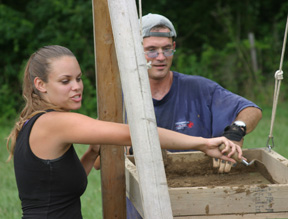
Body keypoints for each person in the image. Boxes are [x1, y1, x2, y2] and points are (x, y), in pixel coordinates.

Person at [6, 45, 243, 219]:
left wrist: (91, 154)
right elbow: (135, 134)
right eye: (65, 81)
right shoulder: (54, 122)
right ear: (40, 85)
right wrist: (202, 143)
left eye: (78, 78)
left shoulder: (34, 122)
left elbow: (55, 189)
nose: (77, 87)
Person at [126, 13, 262, 218]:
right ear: (136, 51)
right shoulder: (121, 98)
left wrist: (236, 132)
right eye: (151, 50)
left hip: (199, 206)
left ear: (174, 46)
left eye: (167, 49)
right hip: (141, 207)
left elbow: (251, 110)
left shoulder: (198, 88)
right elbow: (101, 162)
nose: (161, 57)